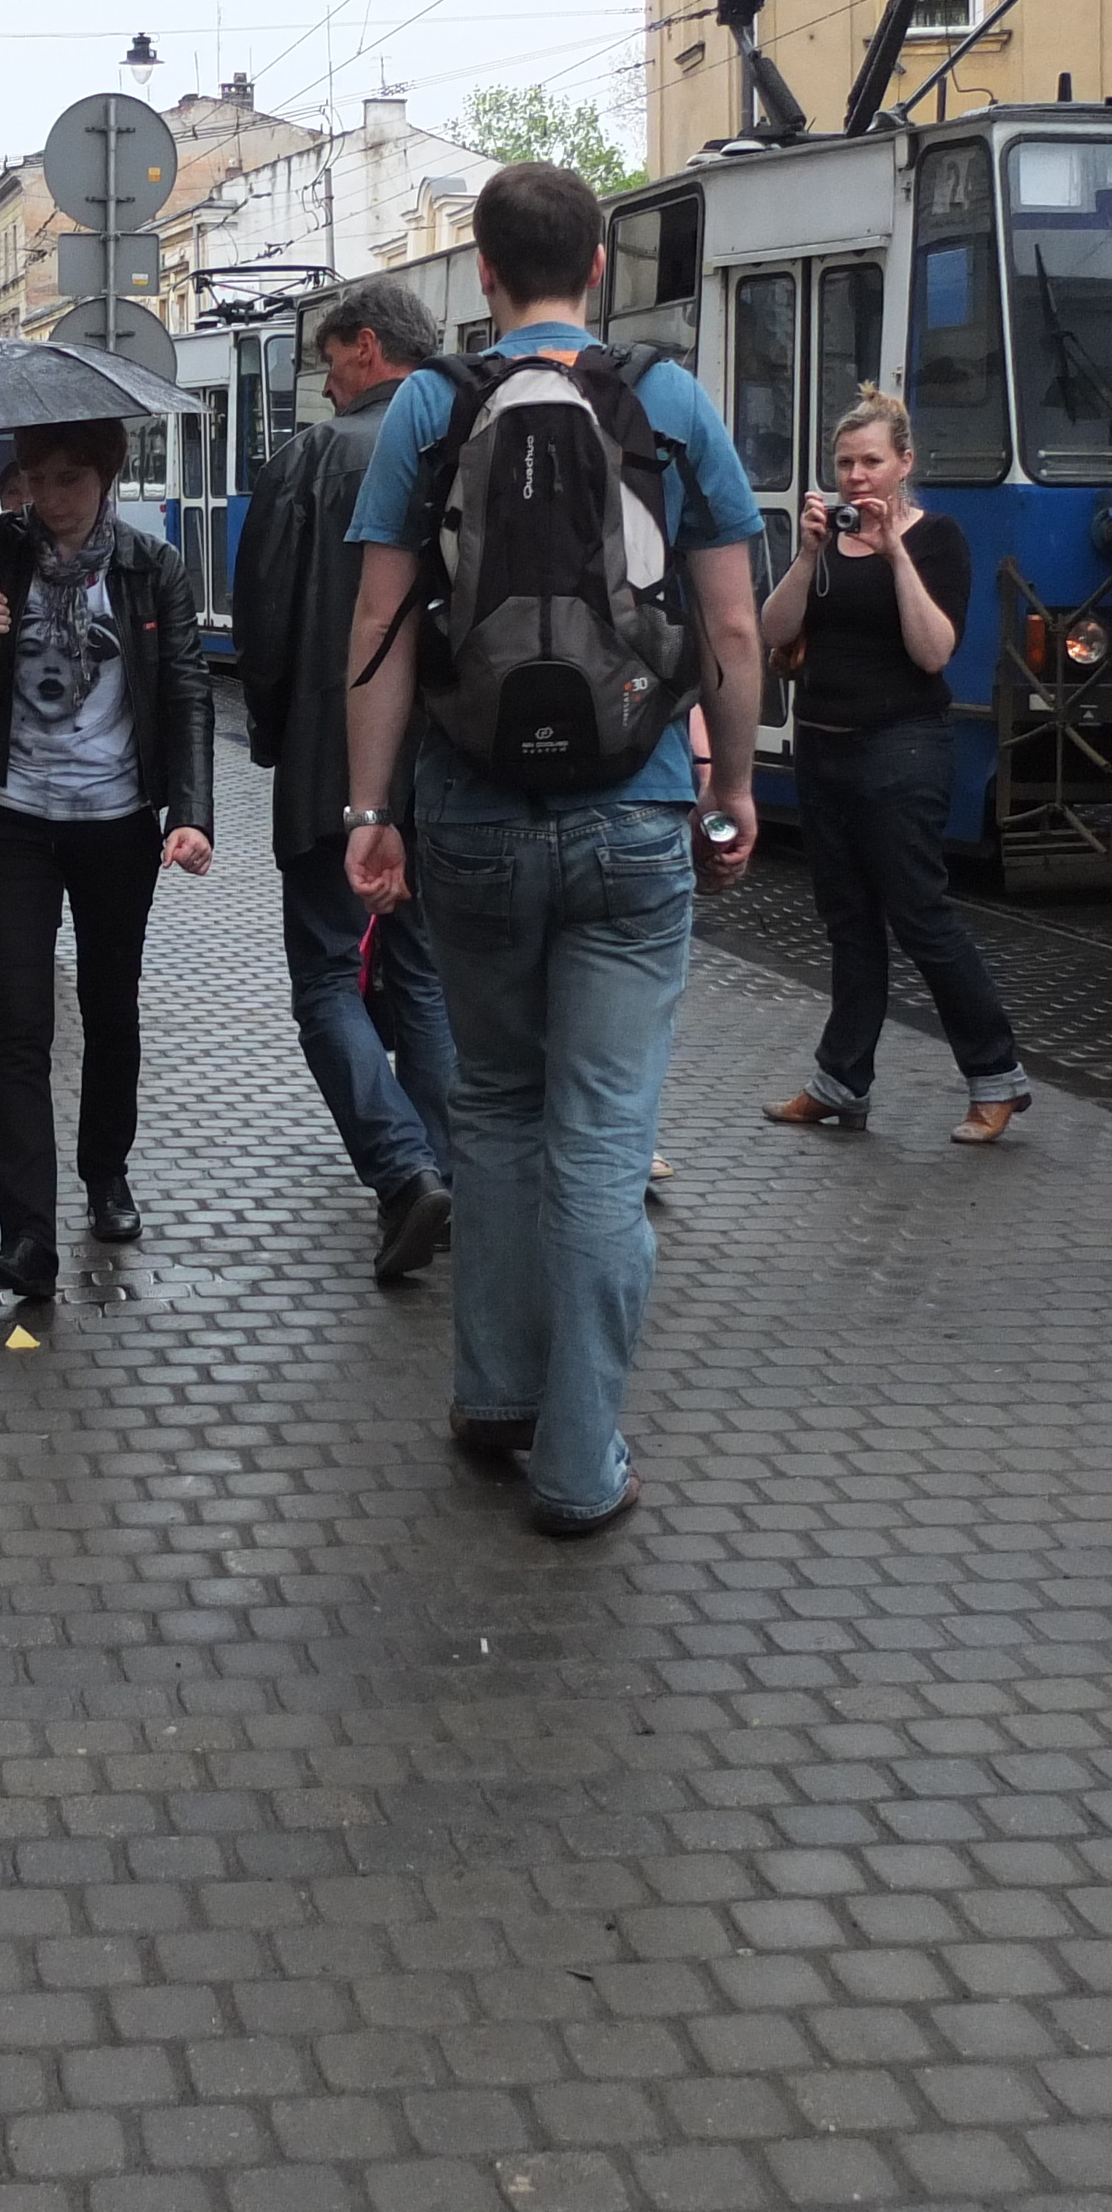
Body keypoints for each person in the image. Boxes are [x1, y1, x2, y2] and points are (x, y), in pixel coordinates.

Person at [343, 161, 764, 1540]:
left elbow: (379, 630)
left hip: (469, 814)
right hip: (635, 809)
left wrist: (370, 813)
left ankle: (494, 1396)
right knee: (601, 1136)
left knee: (496, 1111)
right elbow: (734, 627)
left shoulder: (429, 404)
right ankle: (580, 1465)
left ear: (481, 273)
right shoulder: (670, 400)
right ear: (596, 266)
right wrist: (731, 788)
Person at [0, 415, 215, 1300]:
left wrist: (192, 813)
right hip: (9, 820)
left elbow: (186, 690)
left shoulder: (150, 566)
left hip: (116, 823)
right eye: (35, 478)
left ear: (107, 476)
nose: (48, 499)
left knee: (109, 1006)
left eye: (69, 480)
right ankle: (27, 1237)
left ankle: (106, 1171)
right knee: (19, 1029)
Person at [235, 275, 460, 1282]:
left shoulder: (314, 457)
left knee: (328, 972)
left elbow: (264, 617)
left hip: (335, 759)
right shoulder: (471, 438)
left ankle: (404, 1172)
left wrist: (274, 737)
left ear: (367, 347)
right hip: (446, 764)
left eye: (329, 363)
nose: (324, 385)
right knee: (423, 975)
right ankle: (451, 1175)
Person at [754, 388, 1033, 1141]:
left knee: (919, 913)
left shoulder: (937, 539)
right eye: (845, 462)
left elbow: (934, 651)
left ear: (904, 464)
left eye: (871, 461)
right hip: (823, 747)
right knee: (848, 921)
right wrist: (808, 554)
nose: (856, 477)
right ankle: (841, 1082)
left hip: (901, 747)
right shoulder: (824, 543)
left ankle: (996, 1077)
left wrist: (894, 554)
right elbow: (773, 629)